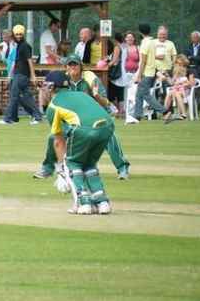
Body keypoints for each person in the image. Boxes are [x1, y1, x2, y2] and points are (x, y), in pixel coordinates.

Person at [34, 53, 130, 180]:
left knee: (109, 136)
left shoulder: (90, 78)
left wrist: (96, 96)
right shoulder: (63, 80)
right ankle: (47, 168)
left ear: (81, 66)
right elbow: (50, 101)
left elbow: (104, 102)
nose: (73, 67)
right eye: (70, 64)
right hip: (72, 120)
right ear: (66, 67)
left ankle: (122, 167)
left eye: (75, 64)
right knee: (54, 136)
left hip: (94, 117)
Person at [42, 70, 113, 215]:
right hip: (107, 127)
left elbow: (58, 141)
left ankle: (83, 203)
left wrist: (62, 170)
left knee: (72, 164)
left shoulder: (53, 106)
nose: (42, 90)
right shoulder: (80, 94)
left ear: (51, 87)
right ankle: (102, 202)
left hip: (84, 129)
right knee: (89, 164)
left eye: (44, 86)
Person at [0, 24, 43, 125]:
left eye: (20, 34)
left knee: (14, 96)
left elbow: (30, 61)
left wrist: (33, 75)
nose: (18, 36)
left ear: (23, 34)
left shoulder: (25, 46)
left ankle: (8, 119)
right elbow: (14, 61)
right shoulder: (19, 46)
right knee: (25, 97)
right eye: (17, 34)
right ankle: (36, 116)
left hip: (21, 74)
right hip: (19, 74)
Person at [131, 24, 173, 123]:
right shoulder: (153, 42)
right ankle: (137, 116)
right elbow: (158, 56)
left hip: (147, 72)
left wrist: (139, 75)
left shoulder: (145, 43)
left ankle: (165, 112)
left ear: (140, 32)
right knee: (139, 94)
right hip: (153, 71)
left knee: (145, 95)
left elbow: (143, 61)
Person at [162, 54, 196, 122]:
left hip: (186, 90)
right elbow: (172, 83)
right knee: (169, 94)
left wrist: (182, 85)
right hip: (177, 89)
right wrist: (167, 76)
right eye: (177, 63)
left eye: (179, 63)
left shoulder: (190, 70)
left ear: (184, 62)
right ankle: (165, 113)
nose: (178, 64)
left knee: (177, 93)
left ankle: (183, 114)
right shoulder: (176, 71)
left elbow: (191, 83)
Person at [183, 31, 200, 113]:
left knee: (199, 93)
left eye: (195, 37)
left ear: (199, 38)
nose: (193, 39)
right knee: (188, 91)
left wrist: (192, 57)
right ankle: (187, 110)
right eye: (192, 37)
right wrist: (195, 58)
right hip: (189, 72)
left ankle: (196, 111)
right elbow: (185, 59)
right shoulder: (187, 47)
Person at [108, 33, 128, 115]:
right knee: (120, 93)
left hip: (117, 73)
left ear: (115, 39)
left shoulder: (117, 47)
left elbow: (115, 60)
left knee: (112, 92)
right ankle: (121, 110)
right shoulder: (124, 47)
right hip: (123, 72)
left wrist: (108, 65)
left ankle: (117, 110)